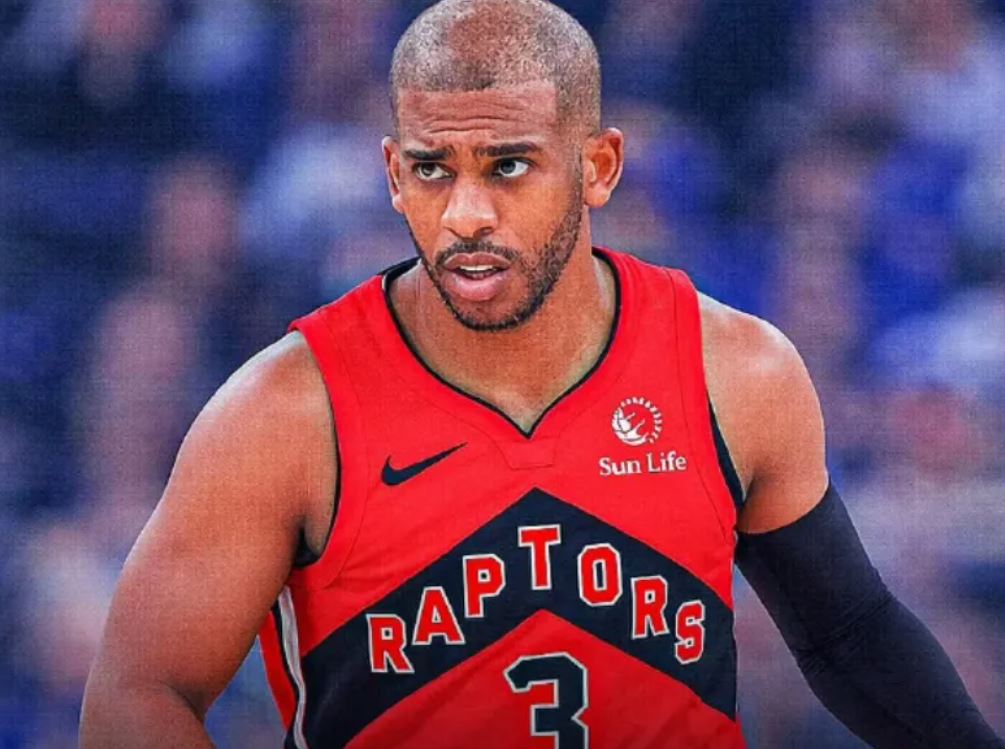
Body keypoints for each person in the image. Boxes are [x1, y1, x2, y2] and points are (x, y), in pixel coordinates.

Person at [80, 1, 1004, 747]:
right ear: (392, 174)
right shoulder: (288, 406)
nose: (466, 213)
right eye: (432, 170)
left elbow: (847, 632)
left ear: (598, 166)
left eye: (508, 166)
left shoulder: (733, 368)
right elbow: (140, 692)